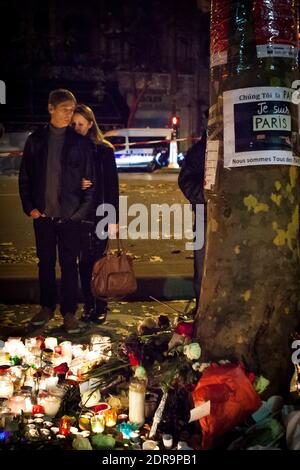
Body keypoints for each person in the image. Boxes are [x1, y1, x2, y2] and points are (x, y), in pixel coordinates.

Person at [19, 89, 96, 334]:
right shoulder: (37, 140)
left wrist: (78, 213)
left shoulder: (80, 142)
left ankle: (69, 312)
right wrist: (30, 207)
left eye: (72, 110)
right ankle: (46, 306)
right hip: (43, 216)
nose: (69, 114)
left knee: (69, 265)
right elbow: (26, 177)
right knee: (45, 263)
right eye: (65, 109)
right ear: (51, 108)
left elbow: (90, 182)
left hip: (70, 217)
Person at [71, 104, 119, 324]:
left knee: (99, 263)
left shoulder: (104, 150)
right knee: (84, 263)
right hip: (78, 215)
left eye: (81, 123)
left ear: (91, 124)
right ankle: (89, 305)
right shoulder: (69, 149)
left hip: (100, 214)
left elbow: (112, 187)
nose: (77, 127)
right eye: (74, 124)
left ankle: (101, 305)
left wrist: (113, 219)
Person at [178, 130, 207, 314]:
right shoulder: (199, 150)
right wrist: (205, 196)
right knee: (202, 263)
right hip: (206, 214)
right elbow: (186, 180)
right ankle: (202, 307)